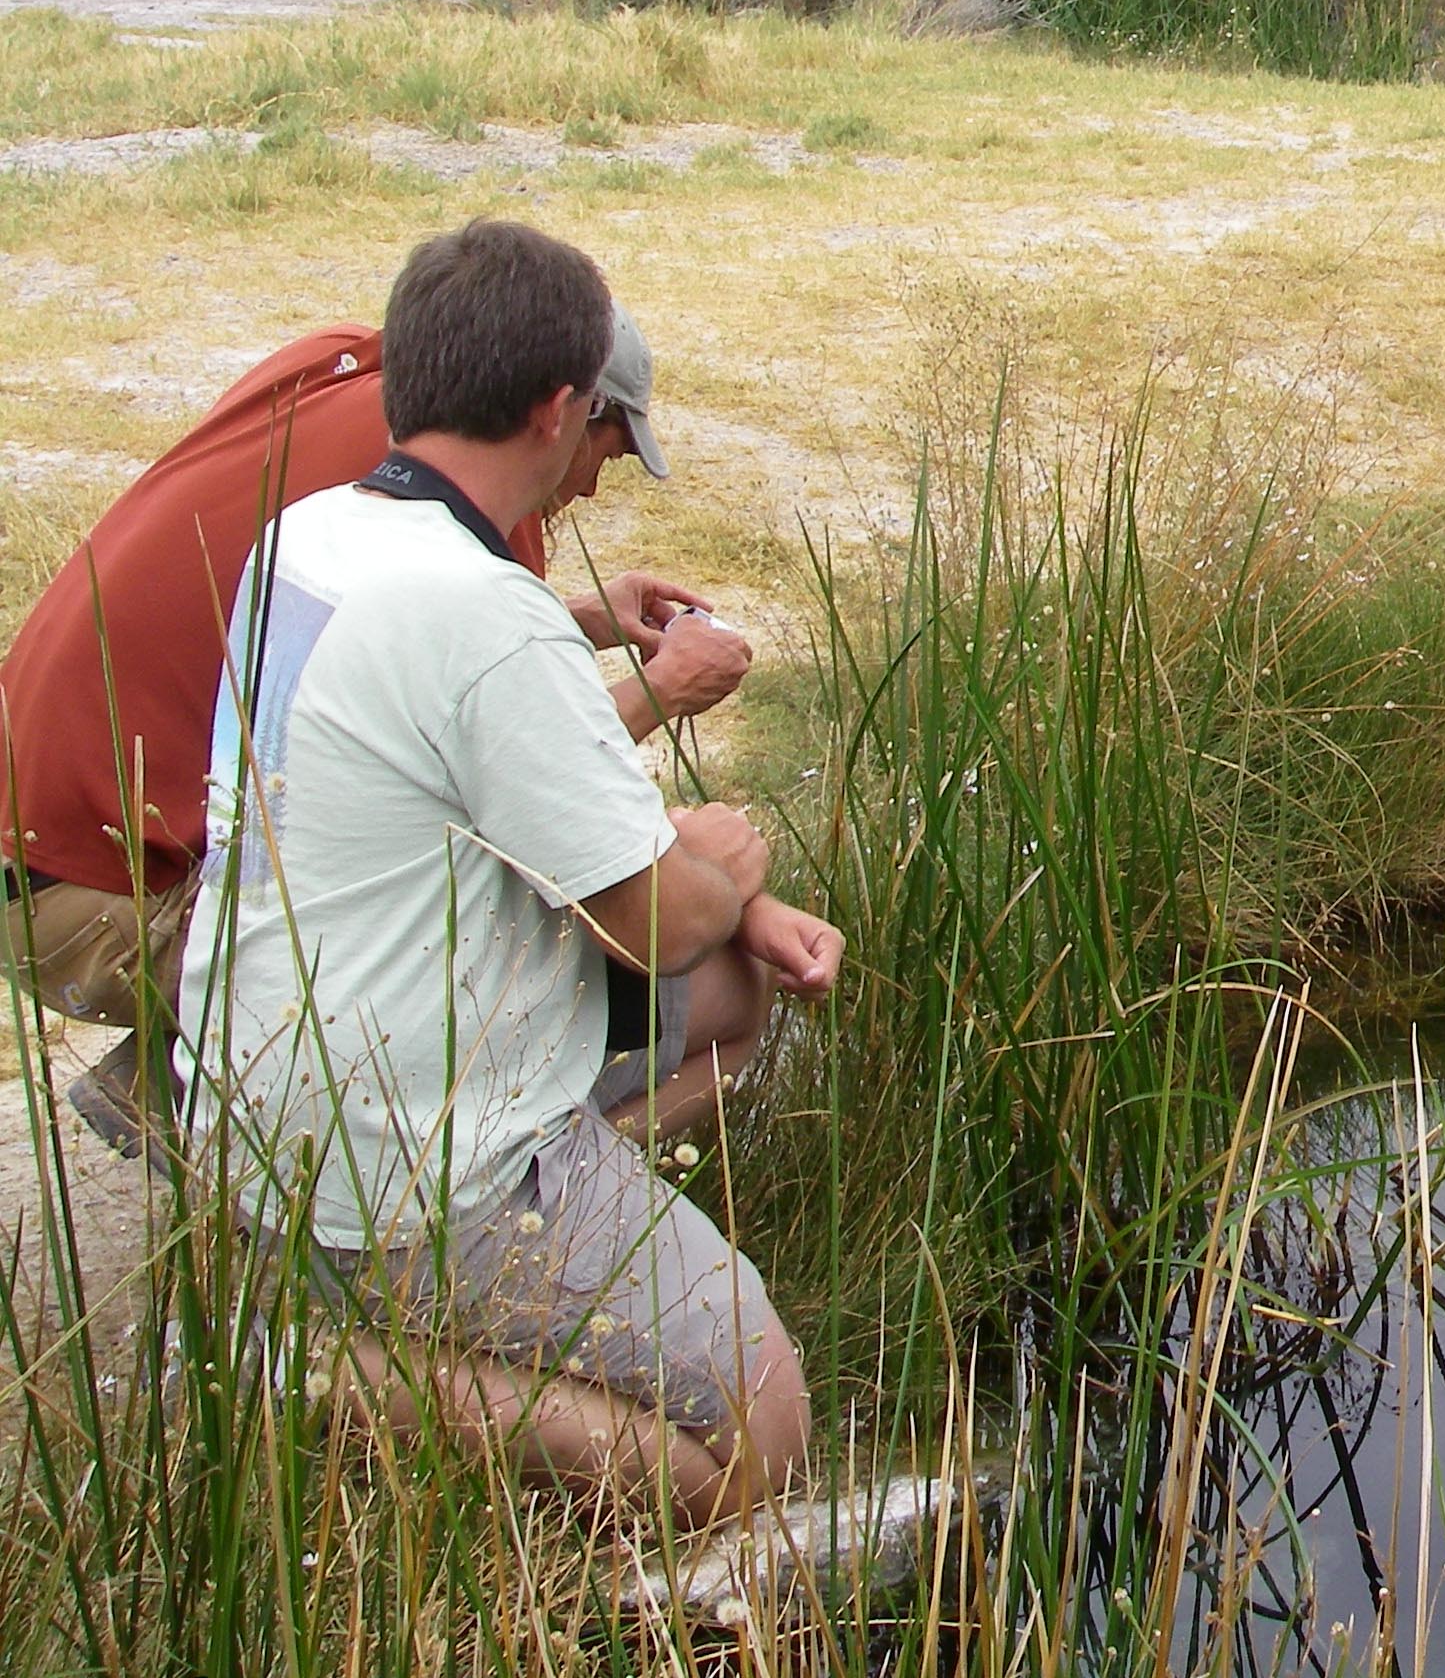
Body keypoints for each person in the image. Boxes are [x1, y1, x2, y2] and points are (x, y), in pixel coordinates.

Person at [176, 219, 837, 1525]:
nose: (597, 468)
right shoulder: (481, 619)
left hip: (258, 1105)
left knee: (725, 1007)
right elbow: (651, 921)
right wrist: (727, 868)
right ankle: (331, 1374)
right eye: (598, 427)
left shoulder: (308, 536)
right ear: (554, 410)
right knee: (763, 1437)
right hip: (408, 1151)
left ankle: (479, 1301)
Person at [0, 299, 762, 1147]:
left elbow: (357, 652)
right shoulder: (478, 499)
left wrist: (576, 618)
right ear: (563, 413)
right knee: (488, 913)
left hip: (38, 853)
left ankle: (196, 1071)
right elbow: (510, 795)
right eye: (607, 452)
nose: (586, 488)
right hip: (111, 898)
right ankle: (420, 1169)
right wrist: (663, 694)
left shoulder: (339, 372)